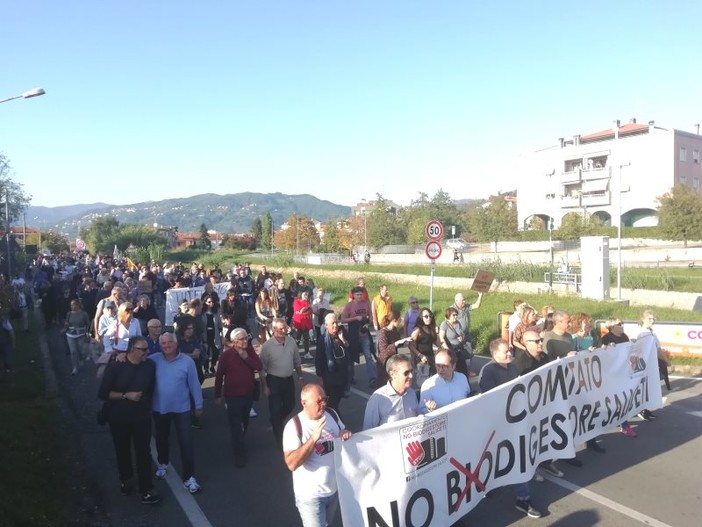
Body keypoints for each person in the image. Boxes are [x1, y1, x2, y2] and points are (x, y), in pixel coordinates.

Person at [479, 338, 543, 519]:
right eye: (506, 351)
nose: (510, 354)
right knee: (497, 459)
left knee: (520, 458)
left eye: (510, 350)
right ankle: (491, 485)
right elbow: (489, 398)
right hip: (498, 425)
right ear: (495, 354)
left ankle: (524, 498)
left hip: (516, 422)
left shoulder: (513, 368)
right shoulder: (488, 371)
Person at [98, 336, 160, 504]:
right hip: (119, 417)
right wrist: (126, 396)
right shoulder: (116, 367)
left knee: (143, 452)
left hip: (142, 416)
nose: (147, 352)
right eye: (143, 350)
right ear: (131, 350)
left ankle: (146, 489)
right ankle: (126, 480)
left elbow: (151, 388)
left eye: (147, 349)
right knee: (122, 450)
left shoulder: (150, 365)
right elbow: (103, 394)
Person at [282, 384, 352, 527]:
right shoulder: (294, 426)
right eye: (318, 401)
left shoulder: (331, 413)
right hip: (311, 497)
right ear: (304, 403)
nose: (323, 404)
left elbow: (341, 431)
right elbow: (291, 463)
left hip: (333, 490)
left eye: (324, 399)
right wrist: (313, 439)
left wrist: (344, 433)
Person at [150, 332, 203, 494]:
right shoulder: (153, 360)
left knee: (186, 442)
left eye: (170, 343)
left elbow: (194, 385)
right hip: (159, 408)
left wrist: (199, 406)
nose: (167, 346)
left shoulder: (187, 362)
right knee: (161, 438)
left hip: (182, 408)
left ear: (176, 343)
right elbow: (136, 359)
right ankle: (163, 463)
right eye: (163, 343)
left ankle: (189, 477)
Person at [513, 329, 566, 478]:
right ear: (525, 343)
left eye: (540, 340)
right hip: (530, 405)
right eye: (536, 341)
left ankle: (546, 462)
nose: (540, 343)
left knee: (546, 433)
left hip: (545, 401)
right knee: (532, 436)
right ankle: (532, 467)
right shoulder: (519, 363)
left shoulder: (543, 356)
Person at [214, 327, 262, 467]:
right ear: (234, 342)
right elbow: (219, 376)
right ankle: (239, 453)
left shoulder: (249, 351)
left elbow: (258, 366)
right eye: (242, 339)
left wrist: (246, 358)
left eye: (246, 337)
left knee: (244, 421)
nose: (245, 341)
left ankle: (240, 439)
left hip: (248, 394)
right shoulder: (226, 356)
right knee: (235, 424)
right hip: (232, 396)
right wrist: (217, 395)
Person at [260, 319, 304, 447]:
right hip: (274, 380)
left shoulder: (291, 342)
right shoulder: (267, 346)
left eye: (285, 328)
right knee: (275, 409)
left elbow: (297, 361)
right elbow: (262, 368)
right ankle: (279, 438)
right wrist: (265, 386)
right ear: (273, 330)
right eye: (281, 329)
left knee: (290, 406)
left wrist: (301, 378)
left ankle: (276, 420)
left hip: (288, 379)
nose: (284, 331)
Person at [600, 320, 637, 437]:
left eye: (622, 323)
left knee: (622, 399)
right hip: (611, 373)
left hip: (623, 371)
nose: (622, 326)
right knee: (614, 399)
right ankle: (622, 423)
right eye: (619, 324)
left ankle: (623, 424)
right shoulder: (606, 338)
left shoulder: (625, 336)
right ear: (612, 327)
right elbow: (603, 354)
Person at [363, 354, 419, 429]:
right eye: (406, 373)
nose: (411, 376)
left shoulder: (411, 393)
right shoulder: (377, 398)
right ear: (392, 374)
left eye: (411, 371)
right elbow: (368, 430)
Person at [340, 286, 376, 389]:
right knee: (352, 356)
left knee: (368, 356)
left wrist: (368, 322)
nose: (360, 296)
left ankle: (372, 378)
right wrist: (355, 318)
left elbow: (371, 315)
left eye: (361, 294)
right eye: (357, 295)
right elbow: (343, 320)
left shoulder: (366, 303)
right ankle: (351, 377)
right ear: (353, 295)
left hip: (364, 333)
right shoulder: (349, 305)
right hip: (353, 333)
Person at [314, 313, 350, 414]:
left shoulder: (341, 335)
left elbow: (349, 350)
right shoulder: (322, 340)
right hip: (330, 378)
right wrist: (320, 377)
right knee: (332, 404)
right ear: (326, 325)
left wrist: (343, 340)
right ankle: (337, 423)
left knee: (336, 401)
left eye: (336, 323)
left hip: (342, 376)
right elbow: (319, 359)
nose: (335, 325)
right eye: (332, 323)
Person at [637, 310, 669, 417]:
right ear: (643, 319)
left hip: (652, 364)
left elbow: (658, 349)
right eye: (650, 318)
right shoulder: (640, 333)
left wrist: (665, 360)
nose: (652, 321)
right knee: (643, 387)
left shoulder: (652, 333)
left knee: (651, 387)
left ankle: (647, 408)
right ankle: (641, 410)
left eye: (654, 319)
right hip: (643, 364)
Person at [419, 349, 470, 413]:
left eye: (444, 366)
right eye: (438, 366)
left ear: (454, 365)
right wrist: (430, 410)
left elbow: (469, 398)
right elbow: (421, 410)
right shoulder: (428, 385)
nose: (440, 370)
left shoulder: (462, 378)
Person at [408, 308, 440, 388]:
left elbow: (437, 343)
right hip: (421, 361)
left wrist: (437, 333)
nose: (429, 318)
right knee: (423, 385)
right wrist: (420, 355)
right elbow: (410, 345)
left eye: (430, 316)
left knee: (434, 384)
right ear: (421, 318)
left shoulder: (431, 328)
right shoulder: (417, 330)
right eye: (426, 316)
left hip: (431, 359)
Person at [376, 312, 410, 386]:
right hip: (384, 362)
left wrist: (406, 341)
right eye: (399, 320)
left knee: (394, 382)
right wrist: (396, 343)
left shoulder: (394, 330)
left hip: (393, 360)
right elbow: (384, 350)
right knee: (385, 384)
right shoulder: (383, 332)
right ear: (394, 320)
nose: (401, 321)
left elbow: (398, 342)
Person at [439, 307, 473, 377]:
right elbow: (441, 338)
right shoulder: (444, 324)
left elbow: (462, 333)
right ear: (448, 316)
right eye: (453, 315)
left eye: (456, 315)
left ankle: (465, 385)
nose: (456, 316)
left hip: (459, 349)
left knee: (463, 371)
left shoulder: (457, 323)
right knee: (453, 371)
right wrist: (447, 350)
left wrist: (462, 337)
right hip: (451, 350)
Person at [63, 299, 91, 376]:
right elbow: (67, 323)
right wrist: (66, 325)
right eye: (71, 305)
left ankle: (80, 358)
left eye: (74, 305)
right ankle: (75, 367)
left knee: (81, 349)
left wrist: (87, 333)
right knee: (73, 351)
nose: (73, 307)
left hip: (81, 334)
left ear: (78, 305)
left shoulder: (84, 314)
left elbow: (88, 324)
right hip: (70, 334)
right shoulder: (69, 314)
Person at [201, 293, 223, 374]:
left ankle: (212, 366)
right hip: (205, 335)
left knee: (216, 351)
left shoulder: (216, 312)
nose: (211, 303)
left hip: (214, 334)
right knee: (206, 352)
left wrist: (221, 333)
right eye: (209, 302)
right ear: (205, 302)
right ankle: (206, 369)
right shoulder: (202, 313)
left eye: (212, 302)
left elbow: (219, 324)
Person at [292, 290, 314, 360]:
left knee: (306, 338)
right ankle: (293, 353)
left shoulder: (307, 302)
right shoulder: (296, 302)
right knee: (297, 339)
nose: (306, 296)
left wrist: (305, 311)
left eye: (307, 295)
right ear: (300, 295)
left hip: (306, 323)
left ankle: (307, 353)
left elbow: (310, 311)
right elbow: (299, 311)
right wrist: (307, 307)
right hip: (299, 323)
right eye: (304, 295)